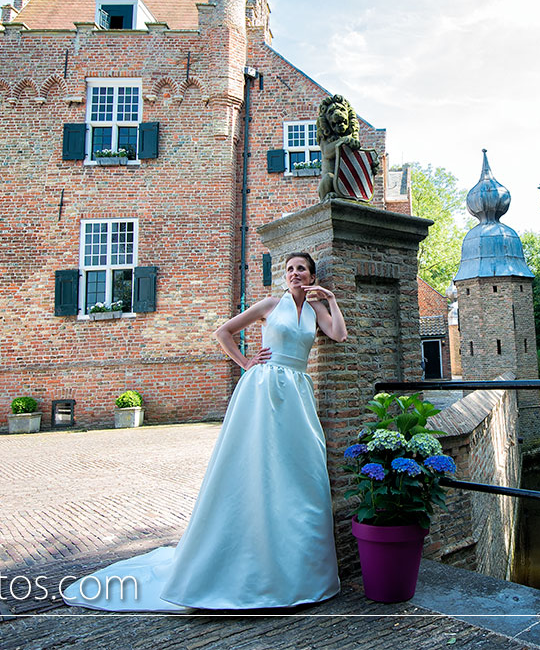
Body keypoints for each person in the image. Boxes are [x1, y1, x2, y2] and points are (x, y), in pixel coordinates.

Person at [62, 252, 346, 611]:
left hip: (299, 393)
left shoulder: (316, 310)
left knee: (302, 472)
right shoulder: (270, 304)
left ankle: (298, 569)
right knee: (259, 465)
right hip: (264, 390)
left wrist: (331, 299)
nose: (294, 274)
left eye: (300, 269)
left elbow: (339, 334)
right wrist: (245, 363)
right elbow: (223, 332)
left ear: (311, 274)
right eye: (289, 269)